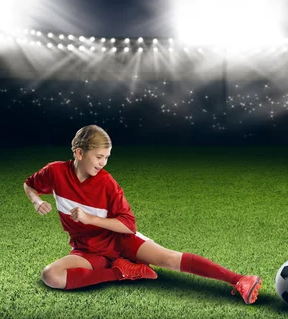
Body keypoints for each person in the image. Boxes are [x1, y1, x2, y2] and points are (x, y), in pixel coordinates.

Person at [23, 124, 262, 304]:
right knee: (51, 276)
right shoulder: (54, 172)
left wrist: (90, 219)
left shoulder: (107, 183)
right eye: (98, 157)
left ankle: (240, 279)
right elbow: (29, 184)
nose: (103, 163)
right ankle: (121, 272)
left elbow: (128, 225)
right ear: (79, 153)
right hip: (86, 248)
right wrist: (36, 200)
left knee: (168, 258)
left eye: (107, 157)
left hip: (120, 241)